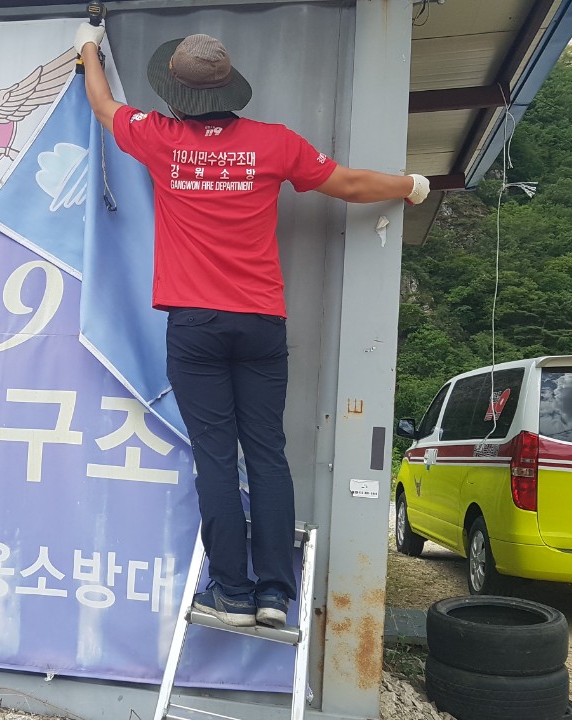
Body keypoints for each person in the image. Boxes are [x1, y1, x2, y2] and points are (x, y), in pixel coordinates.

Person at [73, 26, 429, 629]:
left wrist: (89, 47)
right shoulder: (274, 142)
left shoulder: (158, 138)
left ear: (175, 94)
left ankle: (231, 595)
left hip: (194, 326)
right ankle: (273, 595)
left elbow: (103, 105)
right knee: (267, 454)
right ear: (229, 88)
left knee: (215, 458)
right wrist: (410, 186)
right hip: (261, 321)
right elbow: (346, 184)